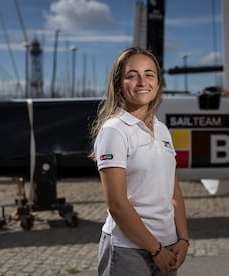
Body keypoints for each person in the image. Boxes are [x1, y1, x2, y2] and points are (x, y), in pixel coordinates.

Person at [89, 47, 189, 275]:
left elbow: (173, 193)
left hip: (169, 247)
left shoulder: (162, 130)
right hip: (129, 251)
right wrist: (155, 250)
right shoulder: (114, 130)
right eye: (132, 75)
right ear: (119, 85)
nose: (142, 81)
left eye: (149, 74)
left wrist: (183, 238)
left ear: (158, 82)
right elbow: (116, 204)